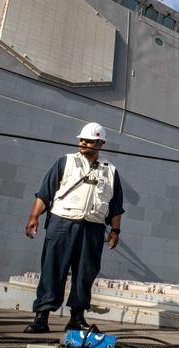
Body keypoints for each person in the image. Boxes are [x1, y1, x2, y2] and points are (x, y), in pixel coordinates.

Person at [24, 122, 124, 333]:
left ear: (100, 143)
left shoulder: (111, 171)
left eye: (88, 141)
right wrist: (34, 216)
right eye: (81, 140)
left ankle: (77, 318)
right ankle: (41, 317)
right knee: (53, 269)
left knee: (85, 273)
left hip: (93, 229)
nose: (83, 143)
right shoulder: (65, 162)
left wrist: (115, 231)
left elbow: (116, 206)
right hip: (62, 222)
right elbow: (45, 193)